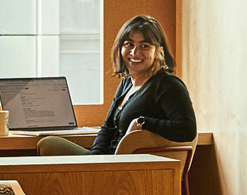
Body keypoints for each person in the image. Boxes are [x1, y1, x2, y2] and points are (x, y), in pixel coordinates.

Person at [37, 16, 197, 156]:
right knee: (48, 144)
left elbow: (187, 129)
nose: (135, 52)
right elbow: (107, 128)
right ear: (120, 48)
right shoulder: (126, 82)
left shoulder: (167, 84)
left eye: (145, 46)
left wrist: (142, 122)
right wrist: (95, 160)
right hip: (108, 160)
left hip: (128, 167)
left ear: (158, 52)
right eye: (129, 44)